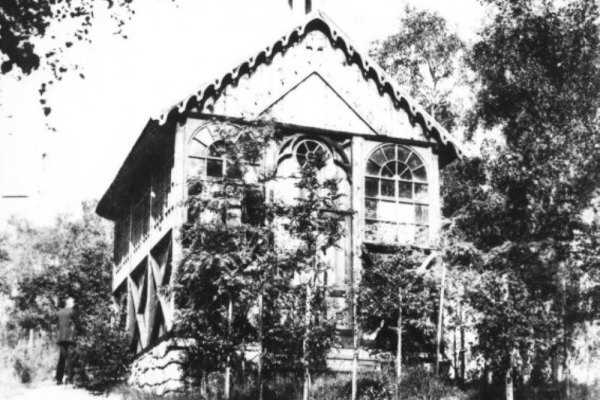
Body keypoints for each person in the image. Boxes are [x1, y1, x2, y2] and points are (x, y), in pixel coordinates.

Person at [55, 297, 76, 385]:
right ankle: (70, 379)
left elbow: (57, 325)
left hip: (61, 338)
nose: (74, 304)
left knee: (62, 358)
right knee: (70, 358)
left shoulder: (59, 312)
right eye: (73, 302)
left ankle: (59, 379)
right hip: (70, 338)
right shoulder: (72, 312)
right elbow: (77, 324)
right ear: (70, 303)